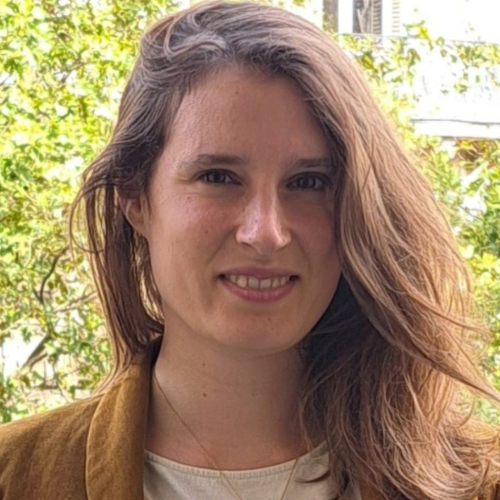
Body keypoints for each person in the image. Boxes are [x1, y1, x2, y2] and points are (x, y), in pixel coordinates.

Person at [1, 1, 499, 499]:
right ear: (135, 196)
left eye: (309, 181)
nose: (266, 233)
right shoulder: (17, 476)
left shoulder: (480, 481)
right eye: (218, 177)